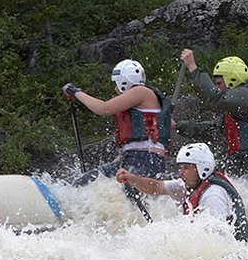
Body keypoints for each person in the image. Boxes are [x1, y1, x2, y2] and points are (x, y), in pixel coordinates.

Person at [63, 59, 171, 211]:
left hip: (145, 160)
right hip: (135, 158)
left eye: (116, 84)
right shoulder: (148, 99)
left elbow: (104, 108)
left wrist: (76, 92)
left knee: (132, 203)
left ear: (125, 81)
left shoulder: (141, 92)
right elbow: (168, 127)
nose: (115, 89)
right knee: (83, 182)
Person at [175, 48, 248, 189]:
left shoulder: (246, 97)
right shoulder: (238, 107)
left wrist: (193, 67)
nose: (217, 88)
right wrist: (178, 126)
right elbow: (212, 130)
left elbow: (214, 99)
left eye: (219, 83)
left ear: (232, 80)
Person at [116, 142, 248, 242]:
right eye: (180, 168)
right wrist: (131, 178)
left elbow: (214, 239)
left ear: (202, 167)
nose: (181, 173)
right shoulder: (187, 185)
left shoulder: (213, 194)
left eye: (186, 168)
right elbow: (155, 187)